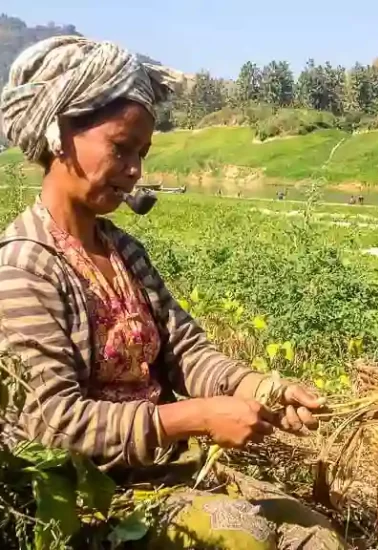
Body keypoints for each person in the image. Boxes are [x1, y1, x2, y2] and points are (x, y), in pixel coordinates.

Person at [0, 36, 346, 550]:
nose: (136, 170)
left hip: (163, 478)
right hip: (87, 501)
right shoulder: (24, 265)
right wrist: (196, 418)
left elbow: (187, 352)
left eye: (141, 153)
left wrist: (263, 390)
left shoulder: (124, 252)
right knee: (242, 538)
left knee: (314, 533)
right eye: (121, 148)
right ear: (59, 133)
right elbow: (55, 425)